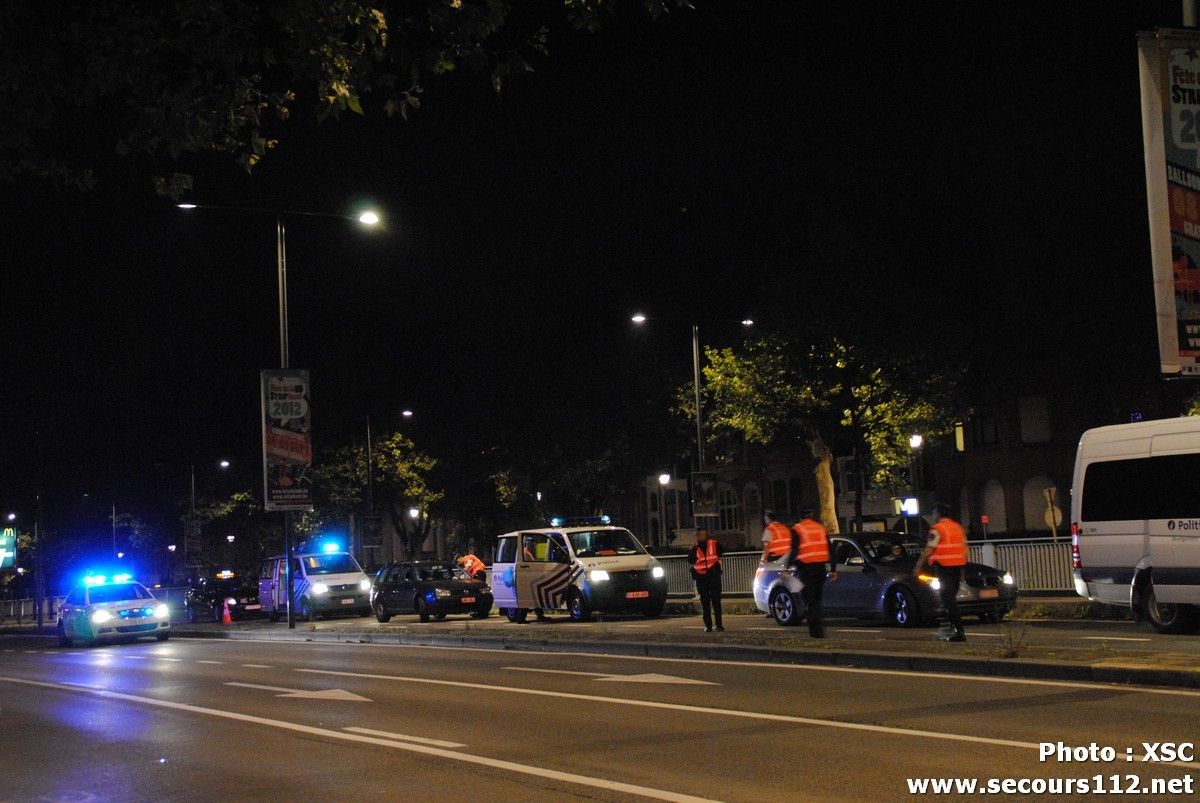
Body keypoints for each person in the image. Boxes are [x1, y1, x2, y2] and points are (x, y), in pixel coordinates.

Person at [914, 502, 968, 642]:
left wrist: (918, 566)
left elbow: (929, 549)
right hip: (957, 567)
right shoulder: (957, 527)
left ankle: (958, 631)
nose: (933, 516)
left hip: (944, 568)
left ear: (938, 514)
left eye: (933, 513)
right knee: (950, 599)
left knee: (948, 600)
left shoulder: (937, 529)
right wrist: (962, 570)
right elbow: (963, 548)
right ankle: (948, 627)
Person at [791, 506, 835, 638]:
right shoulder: (821, 528)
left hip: (806, 569)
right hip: (820, 569)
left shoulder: (797, 529)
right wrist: (833, 569)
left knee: (809, 600)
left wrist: (788, 566)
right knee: (816, 599)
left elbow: (794, 550)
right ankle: (818, 630)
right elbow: (831, 550)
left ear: (800, 516)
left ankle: (814, 631)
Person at [687, 527, 724, 632]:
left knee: (716, 601)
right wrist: (693, 549)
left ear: (705, 534)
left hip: (713, 576)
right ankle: (708, 626)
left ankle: (719, 625)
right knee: (705, 603)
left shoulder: (713, 544)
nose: (700, 536)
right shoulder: (694, 548)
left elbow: (721, 551)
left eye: (701, 534)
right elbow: (690, 560)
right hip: (701, 578)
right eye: (698, 535)